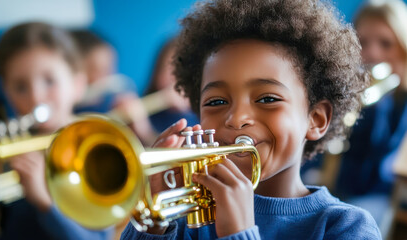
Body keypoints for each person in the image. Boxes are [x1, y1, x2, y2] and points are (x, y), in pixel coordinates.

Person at [121, 0, 381, 239]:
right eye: (216, 102)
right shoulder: (179, 220)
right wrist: (150, 222)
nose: (236, 118)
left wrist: (239, 232)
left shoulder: (348, 226)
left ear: (315, 119)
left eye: (267, 99)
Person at [0, 22, 113, 240]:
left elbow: (99, 238)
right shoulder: (6, 147)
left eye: (49, 80)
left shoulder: (95, 148)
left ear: (78, 85)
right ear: (6, 91)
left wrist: (45, 202)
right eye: (21, 86)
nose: (36, 97)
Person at [335, 0, 407, 226]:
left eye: (386, 44)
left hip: (379, 198)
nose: (372, 53)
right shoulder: (343, 95)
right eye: (362, 42)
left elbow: (383, 165)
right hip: (337, 188)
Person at [145, 37, 199, 133]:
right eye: (166, 69)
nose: (171, 80)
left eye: (180, 72)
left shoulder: (200, 120)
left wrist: (144, 132)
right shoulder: (146, 112)